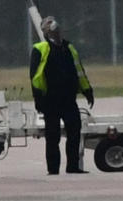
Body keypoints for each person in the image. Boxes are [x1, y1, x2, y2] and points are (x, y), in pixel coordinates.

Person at [29, 15, 94, 175]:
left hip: (68, 99)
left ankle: (73, 166)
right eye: (51, 28)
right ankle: (53, 169)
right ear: (46, 32)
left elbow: (79, 71)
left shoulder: (69, 47)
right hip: (50, 100)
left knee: (74, 132)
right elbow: (35, 77)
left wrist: (87, 90)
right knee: (53, 136)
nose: (56, 31)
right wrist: (38, 99)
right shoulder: (40, 49)